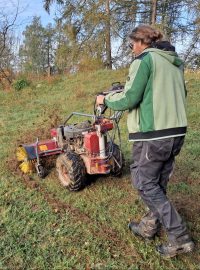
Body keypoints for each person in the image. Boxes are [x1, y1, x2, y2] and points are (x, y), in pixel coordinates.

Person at [96, 24, 194, 258]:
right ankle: (150, 225)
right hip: (176, 132)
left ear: (141, 42)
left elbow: (130, 98)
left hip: (153, 134)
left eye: (132, 45)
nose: (131, 49)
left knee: (144, 183)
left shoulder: (144, 60)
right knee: (157, 182)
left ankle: (179, 236)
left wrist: (106, 99)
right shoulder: (174, 63)